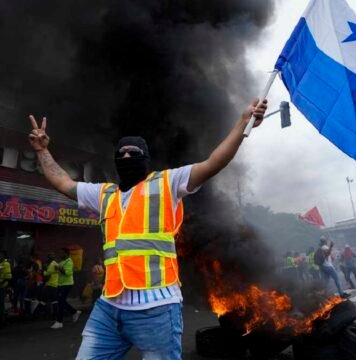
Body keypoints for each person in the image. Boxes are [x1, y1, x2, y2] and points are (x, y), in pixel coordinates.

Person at [28, 98, 267, 359]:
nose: (127, 157)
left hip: (157, 308)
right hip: (110, 306)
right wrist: (42, 150)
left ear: (146, 159)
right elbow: (63, 182)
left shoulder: (167, 183)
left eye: (134, 153)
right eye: (122, 153)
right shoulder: (104, 194)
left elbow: (213, 164)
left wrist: (243, 123)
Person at [51, 248, 81, 329]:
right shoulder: (61, 261)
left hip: (67, 284)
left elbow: (68, 273)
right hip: (60, 284)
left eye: (62, 253)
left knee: (60, 302)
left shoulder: (69, 262)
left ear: (66, 254)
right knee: (61, 301)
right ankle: (74, 312)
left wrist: (58, 268)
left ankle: (59, 322)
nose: (60, 254)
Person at [0, 250, 12, 327]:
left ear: (3, 256)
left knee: (1, 303)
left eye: (0, 255)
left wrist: (1, 284)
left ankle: (2, 321)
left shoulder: (6, 264)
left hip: (2, 287)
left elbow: (8, 277)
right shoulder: (0, 264)